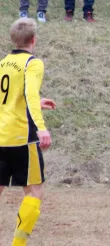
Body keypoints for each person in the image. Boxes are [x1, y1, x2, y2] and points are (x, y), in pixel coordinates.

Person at [0, 18, 56, 246]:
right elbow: (30, 94)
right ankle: (18, 244)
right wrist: (41, 127)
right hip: (22, 137)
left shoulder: (3, 63)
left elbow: (11, 97)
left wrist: (36, 102)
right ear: (33, 40)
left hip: (1, 135)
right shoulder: (33, 63)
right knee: (34, 191)